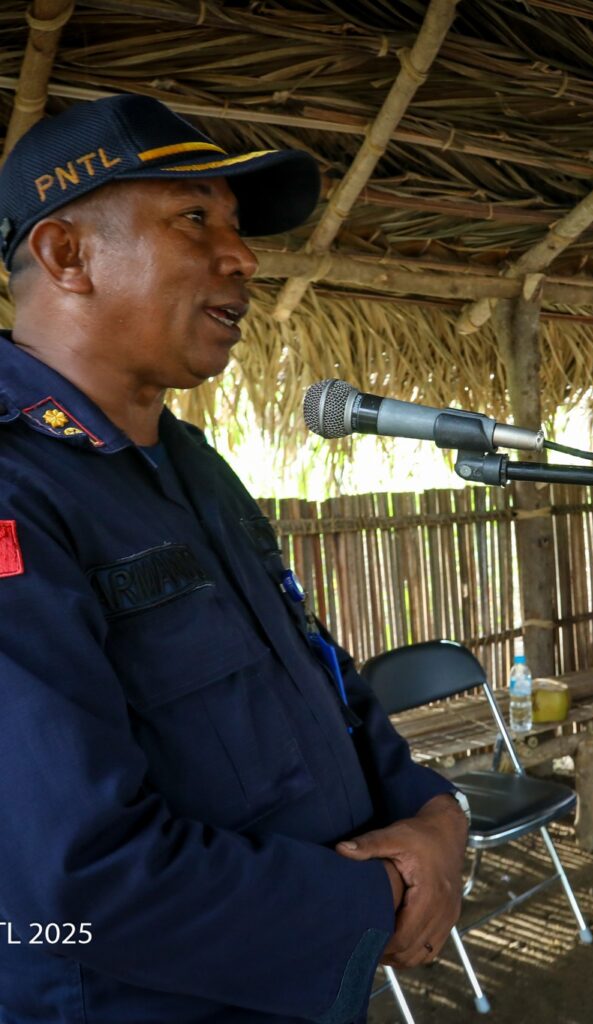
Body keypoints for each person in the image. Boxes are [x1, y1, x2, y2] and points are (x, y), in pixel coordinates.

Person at [0, 94, 469, 1023]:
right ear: (67, 255)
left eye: (237, 226)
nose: (243, 257)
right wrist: (375, 898)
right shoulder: (16, 490)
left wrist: (434, 814)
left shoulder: (191, 465)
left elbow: (317, 672)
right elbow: (72, 881)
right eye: (194, 219)